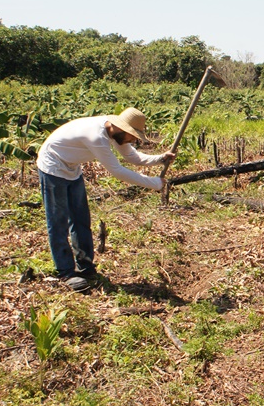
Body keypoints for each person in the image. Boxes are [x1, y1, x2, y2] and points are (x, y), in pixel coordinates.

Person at [36, 107, 174, 291]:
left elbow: (132, 156)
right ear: (122, 129)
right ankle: (66, 272)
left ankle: (85, 266)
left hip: (71, 168)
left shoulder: (114, 131)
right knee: (58, 220)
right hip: (52, 166)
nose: (133, 140)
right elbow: (117, 171)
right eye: (133, 136)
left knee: (80, 218)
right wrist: (154, 183)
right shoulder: (97, 136)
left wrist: (160, 158)